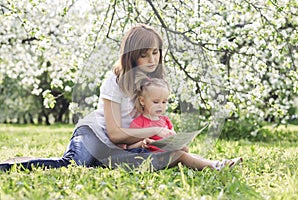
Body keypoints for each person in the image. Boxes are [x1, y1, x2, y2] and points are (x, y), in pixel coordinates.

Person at [0, 24, 241, 172]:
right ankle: (11, 164)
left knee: (169, 156)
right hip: (96, 134)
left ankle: (214, 165)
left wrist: (169, 139)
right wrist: (155, 130)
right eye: (144, 55)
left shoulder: (153, 86)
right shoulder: (115, 80)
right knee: (73, 164)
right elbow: (114, 133)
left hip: (123, 144)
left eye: (155, 53)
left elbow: (149, 125)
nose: (152, 60)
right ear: (132, 56)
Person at [118, 75, 242, 170]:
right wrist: (141, 143)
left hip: (167, 155)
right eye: (156, 102)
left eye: (164, 102)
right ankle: (216, 166)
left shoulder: (165, 121)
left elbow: (178, 145)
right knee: (181, 156)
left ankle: (221, 162)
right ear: (142, 101)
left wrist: (182, 144)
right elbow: (129, 147)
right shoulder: (139, 122)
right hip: (150, 158)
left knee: (189, 155)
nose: (160, 106)